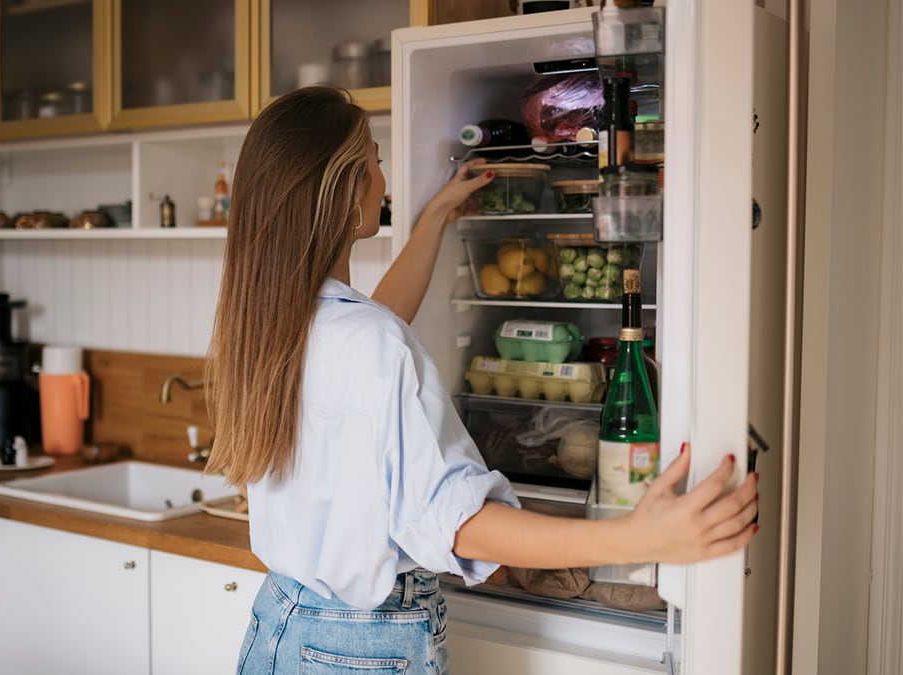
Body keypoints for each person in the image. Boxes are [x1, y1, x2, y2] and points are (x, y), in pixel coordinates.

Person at [203, 86, 758, 675]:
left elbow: (375, 332)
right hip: (357, 650)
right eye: (374, 160)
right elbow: (458, 524)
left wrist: (439, 214)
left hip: (282, 624)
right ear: (344, 191)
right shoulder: (367, 342)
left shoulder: (267, 323)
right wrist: (635, 539)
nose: (382, 178)